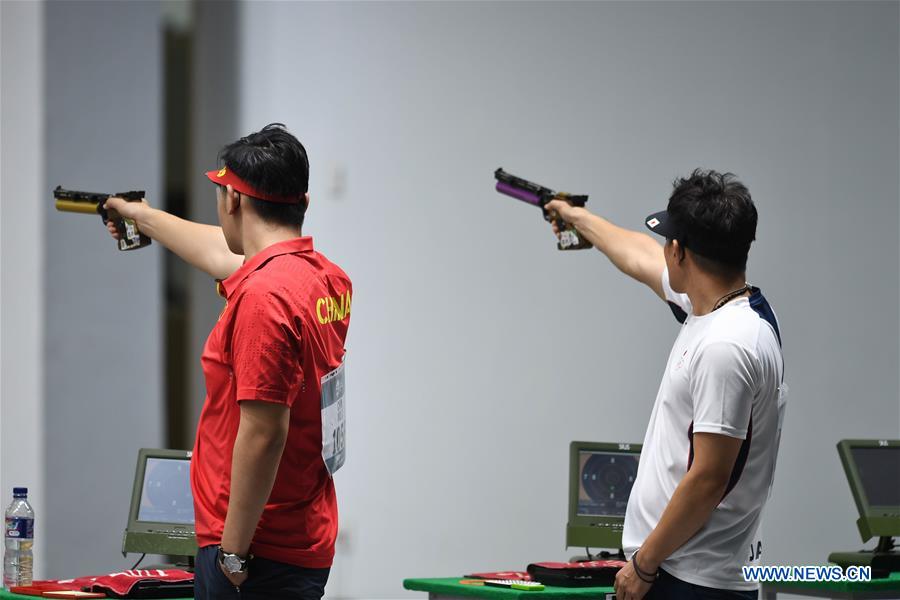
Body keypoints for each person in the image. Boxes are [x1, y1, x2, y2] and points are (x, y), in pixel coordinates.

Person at [105, 123, 352, 599]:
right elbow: (224, 251)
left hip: (254, 551)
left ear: (233, 201)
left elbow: (263, 433)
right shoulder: (322, 279)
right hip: (299, 533)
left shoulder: (262, 297)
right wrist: (142, 216)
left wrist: (233, 552)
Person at [546, 170, 784, 600]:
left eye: (668, 244)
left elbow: (709, 477)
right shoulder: (722, 309)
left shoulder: (724, 345)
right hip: (685, 573)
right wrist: (577, 217)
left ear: (679, 252)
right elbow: (638, 255)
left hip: (691, 580)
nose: (662, 250)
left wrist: (644, 563)